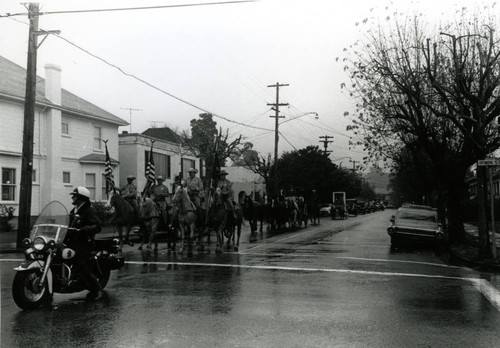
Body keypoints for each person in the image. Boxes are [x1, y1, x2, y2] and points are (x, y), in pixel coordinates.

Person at [67, 186, 104, 301]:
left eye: (75, 195)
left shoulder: (89, 210)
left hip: (85, 242)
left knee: (80, 262)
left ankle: (96, 289)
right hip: (73, 240)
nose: (72, 197)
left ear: (81, 198)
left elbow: (98, 226)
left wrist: (85, 229)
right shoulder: (74, 211)